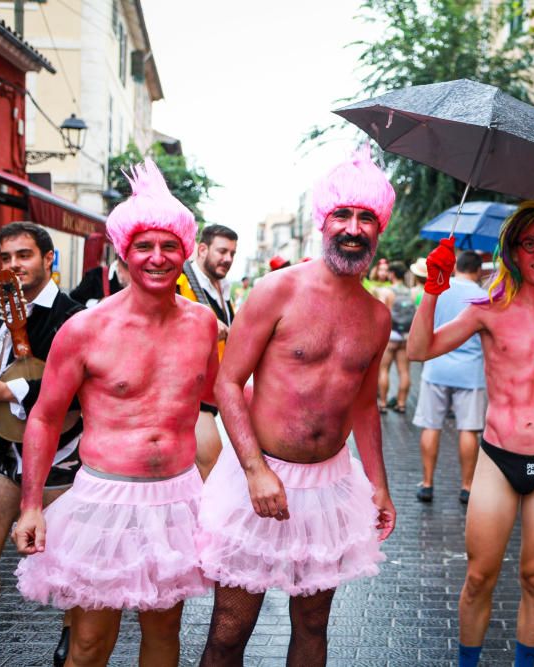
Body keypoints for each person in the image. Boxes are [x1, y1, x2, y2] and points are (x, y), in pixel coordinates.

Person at [196, 147, 397, 667]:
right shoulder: (275, 292)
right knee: (229, 629)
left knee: (313, 625)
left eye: (366, 218)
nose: (354, 228)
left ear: (380, 229)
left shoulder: (376, 316)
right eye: (343, 215)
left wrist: (378, 484)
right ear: (323, 222)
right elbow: (227, 384)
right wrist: (255, 470)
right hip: (257, 478)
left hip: (329, 485)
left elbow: (367, 407)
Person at [10, 160, 215, 667]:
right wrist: (32, 504)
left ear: (185, 251)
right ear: (123, 253)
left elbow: (222, 397)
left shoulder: (202, 324)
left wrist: (254, 472)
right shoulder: (85, 328)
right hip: (103, 498)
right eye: (144, 246)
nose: (158, 257)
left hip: (177, 498)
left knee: (165, 635)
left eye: (169, 246)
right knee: (88, 643)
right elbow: (43, 417)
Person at [408, 201, 534, 667]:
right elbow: (419, 350)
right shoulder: (488, 311)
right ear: (513, 250)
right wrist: (432, 291)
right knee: (479, 576)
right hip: (496, 458)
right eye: (529, 243)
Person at [0, 222, 84, 667]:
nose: (13, 266)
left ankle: (74, 638)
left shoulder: (73, 316)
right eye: (6, 257)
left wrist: (8, 392)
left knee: (70, 561)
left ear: (49, 259)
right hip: (5, 452)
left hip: (62, 455)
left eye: (23, 255)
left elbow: (82, 390)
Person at [412, 250, 486, 505]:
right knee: (469, 429)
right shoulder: (485, 297)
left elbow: (423, 324)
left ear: (456, 268)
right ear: (478, 271)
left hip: (436, 366)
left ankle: (427, 483)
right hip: (471, 371)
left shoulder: (439, 289)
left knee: (431, 425)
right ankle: (467, 486)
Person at [175, 223, 238, 480]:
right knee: (213, 467)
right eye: (222, 251)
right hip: (189, 392)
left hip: (214, 391)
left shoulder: (222, 289)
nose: (228, 259)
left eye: (232, 254)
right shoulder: (180, 281)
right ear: (202, 249)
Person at [377, 261, 413, 413]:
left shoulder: (386, 291)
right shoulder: (411, 292)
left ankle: (383, 403)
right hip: (405, 336)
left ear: (391, 274)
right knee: (404, 371)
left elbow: (381, 315)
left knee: (383, 370)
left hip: (391, 336)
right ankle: (401, 403)